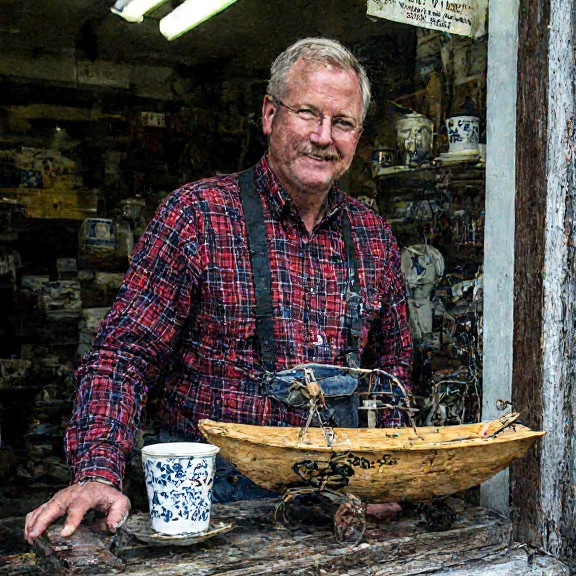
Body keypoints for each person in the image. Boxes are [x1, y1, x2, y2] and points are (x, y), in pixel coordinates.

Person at [24, 37, 412, 544]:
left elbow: (394, 364)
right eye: (308, 114)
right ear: (270, 115)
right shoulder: (197, 216)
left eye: (342, 123)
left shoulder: (373, 236)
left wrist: (389, 468)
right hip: (208, 514)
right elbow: (123, 355)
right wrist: (97, 471)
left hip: (336, 515)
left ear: (357, 135)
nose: (323, 137)